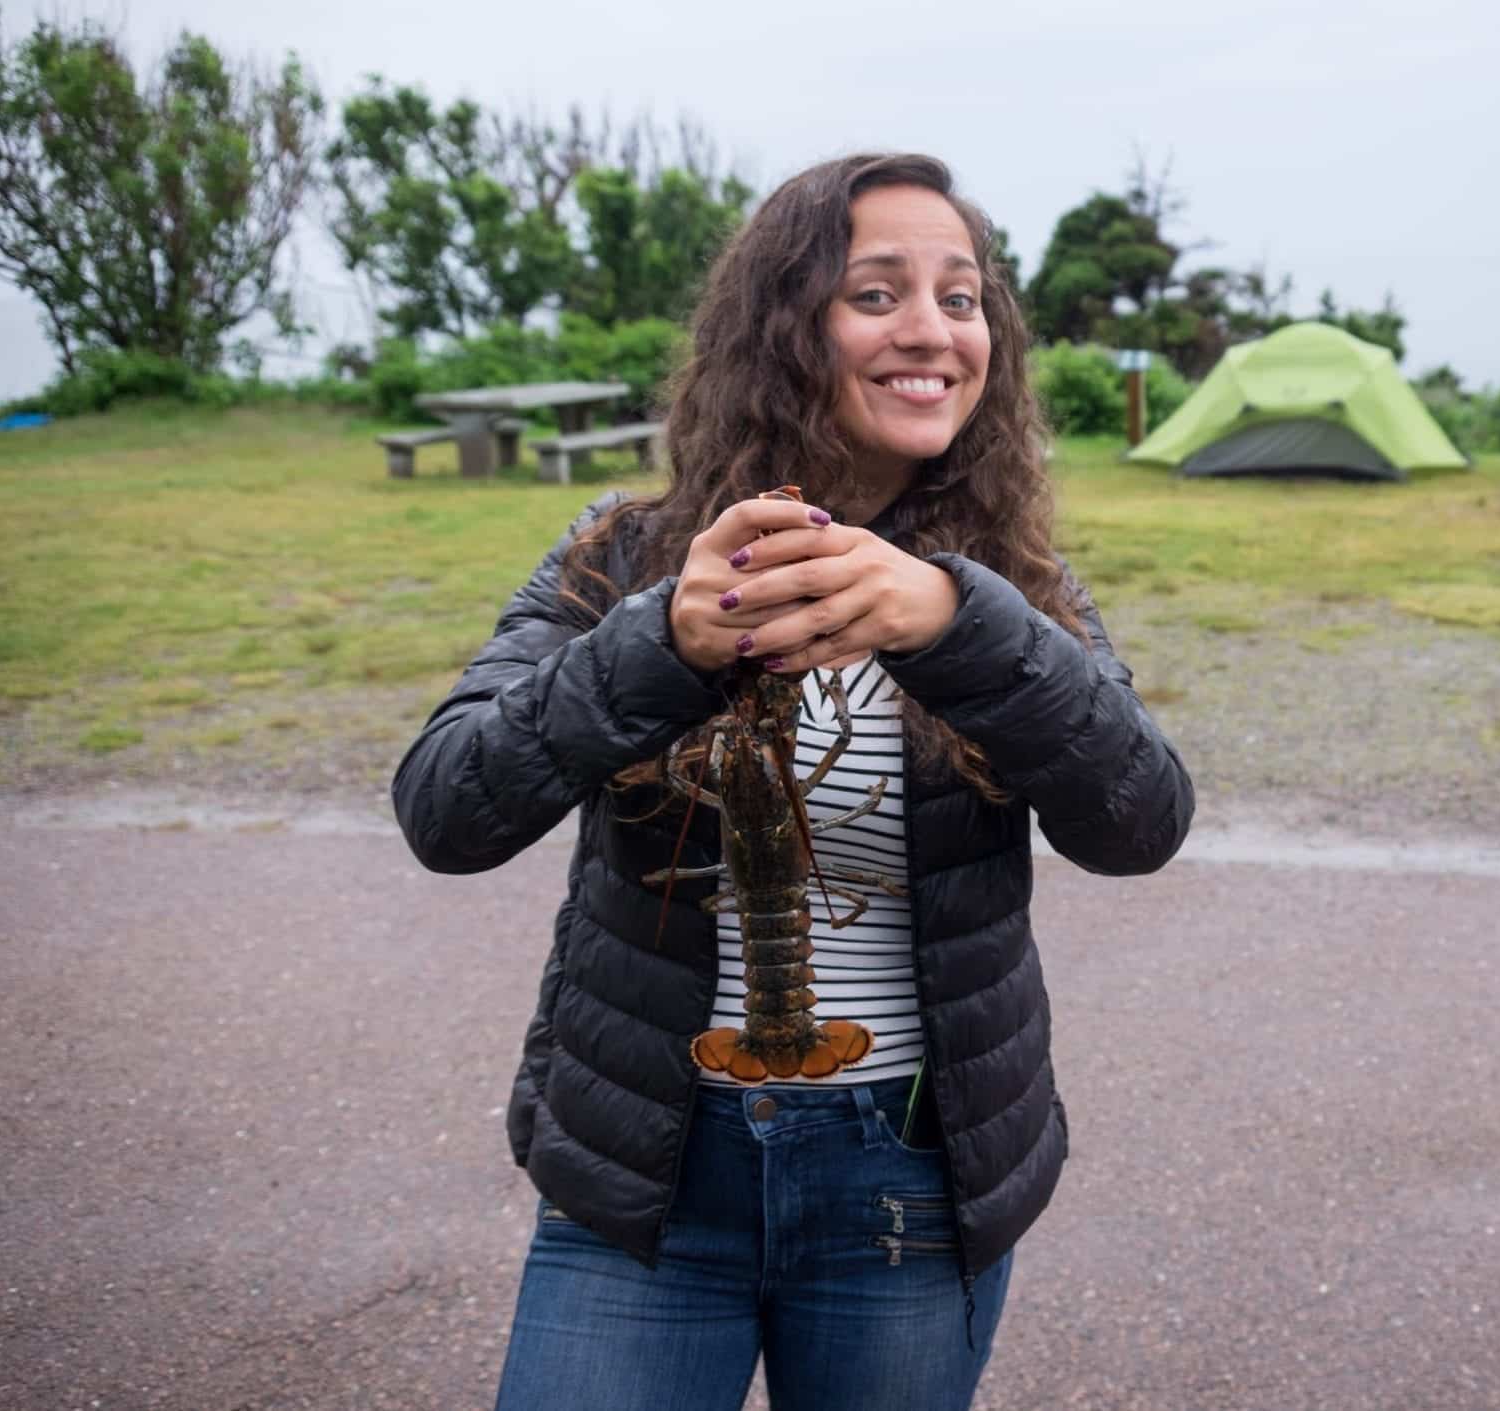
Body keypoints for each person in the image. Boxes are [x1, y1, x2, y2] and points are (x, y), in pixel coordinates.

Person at [393, 152, 1194, 1411]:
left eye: (962, 295)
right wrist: (659, 640)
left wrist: (952, 623)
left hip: (906, 1183)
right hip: (651, 1178)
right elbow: (444, 808)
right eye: (875, 294)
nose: (931, 330)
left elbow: (1141, 821)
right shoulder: (627, 554)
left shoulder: (1014, 587)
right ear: (782, 328)